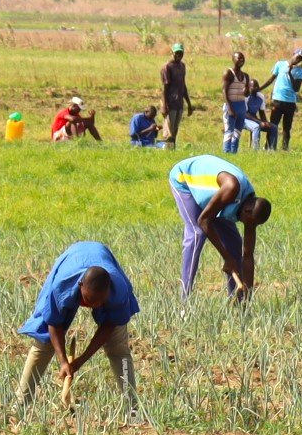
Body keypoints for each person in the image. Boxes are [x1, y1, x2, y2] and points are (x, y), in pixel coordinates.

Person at [15, 242, 142, 414]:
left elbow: (110, 325)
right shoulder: (61, 286)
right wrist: (63, 361)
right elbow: (53, 323)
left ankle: (132, 409)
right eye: (90, 301)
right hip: (72, 259)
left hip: (101, 255)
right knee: (43, 343)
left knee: (118, 348)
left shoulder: (118, 290)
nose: (95, 305)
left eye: (101, 302)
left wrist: (81, 360)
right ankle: (20, 406)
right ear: (80, 285)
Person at [168, 154, 271, 299]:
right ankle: (184, 302)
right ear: (247, 210)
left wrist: (248, 293)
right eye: (249, 224)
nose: (248, 227)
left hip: (214, 198)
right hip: (184, 179)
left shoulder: (250, 211)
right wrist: (227, 258)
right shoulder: (231, 187)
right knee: (197, 234)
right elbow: (204, 220)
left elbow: (248, 256)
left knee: (234, 242)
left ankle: (238, 301)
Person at [223, 52, 263, 151]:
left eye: (243, 59)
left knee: (238, 130)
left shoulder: (245, 76)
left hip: (241, 105)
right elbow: (224, 91)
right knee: (229, 130)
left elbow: (246, 94)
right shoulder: (228, 73)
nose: (241, 60)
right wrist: (229, 108)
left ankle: (234, 151)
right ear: (233, 59)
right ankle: (226, 151)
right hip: (231, 104)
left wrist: (246, 92)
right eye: (239, 58)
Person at [266, 50, 302, 151]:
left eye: (300, 59)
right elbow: (271, 79)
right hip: (278, 99)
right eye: (297, 57)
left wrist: (290, 73)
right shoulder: (280, 64)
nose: (298, 60)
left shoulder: (300, 71)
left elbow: (296, 88)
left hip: (290, 102)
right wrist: (259, 88)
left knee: (287, 127)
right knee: (273, 125)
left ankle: (284, 148)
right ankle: (269, 147)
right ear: (293, 54)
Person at [160, 44, 189, 148]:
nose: (179, 55)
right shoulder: (167, 67)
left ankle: (172, 149)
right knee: (168, 130)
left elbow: (183, 85)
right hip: (170, 101)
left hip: (179, 102)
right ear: (172, 52)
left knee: (175, 128)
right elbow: (165, 87)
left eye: (181, 53)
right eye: (177, 53)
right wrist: (164, 104)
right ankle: (167, 150)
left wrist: (189, 104)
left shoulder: (182, 66)